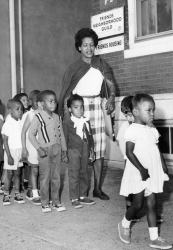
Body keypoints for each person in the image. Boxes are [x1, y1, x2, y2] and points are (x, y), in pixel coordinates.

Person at [58, 28, 116, 200]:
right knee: (80, 150)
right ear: (79, 47)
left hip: (98, 108)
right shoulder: (73, 68)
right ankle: (78, 192)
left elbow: (111, 86)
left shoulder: (102, 65)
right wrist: (68, 117)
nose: (89, 48)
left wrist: (111, 97)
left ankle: (97, 188)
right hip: (78, 110)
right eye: (85, 45)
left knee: (99, 149)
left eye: (92, 45)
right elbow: (66, 93)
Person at [118, 94, 172, 249]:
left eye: (153, 110)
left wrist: (163, 165)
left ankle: (154, 238)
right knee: (138, 204)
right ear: (135, 112)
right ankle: (124, 224)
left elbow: (157, 149)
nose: (152, 114)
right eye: (149, 111)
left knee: (152, 204)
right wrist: (141, 170)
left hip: (152, 171)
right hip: (138, 171)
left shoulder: (152, 130)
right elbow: (129, 153)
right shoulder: (132, 130)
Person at [29, 90, 68, 213]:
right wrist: (39, 149)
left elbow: (61, 133)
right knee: (45, 177)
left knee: (56, 176)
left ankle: (56, 201)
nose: (53, 103)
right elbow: (30, 134)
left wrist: (64, 149)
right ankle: (45, 203)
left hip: (56, 148)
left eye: (54, 101)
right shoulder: (38, 117)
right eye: (50, 101)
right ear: (41, 104)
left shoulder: (57, 117)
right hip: (44, 150)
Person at [63, 94, 96, 209]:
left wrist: (91, 149)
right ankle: (74, 198)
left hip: (85, 148)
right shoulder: (67, 122)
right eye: (76, 107)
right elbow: (64, 138)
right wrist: (64, 152)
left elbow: (90, 136)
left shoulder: (86, 121)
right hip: (73, 149)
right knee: (74, 173)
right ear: (70, 109)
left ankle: (83, 195)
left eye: (81, 107)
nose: (79, 110)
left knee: (84, 172)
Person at [2, 99, 25, 205]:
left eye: (21, 109)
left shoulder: (20, 121)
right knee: (10, 173)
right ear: (10, 110)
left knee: (18, 172)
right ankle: (6, 194)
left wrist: (24, 151)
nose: (20, 111)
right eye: (17, 109)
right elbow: (5, 141)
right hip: (10, 151)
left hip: (19, 150)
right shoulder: (8, 123)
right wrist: (9, 156)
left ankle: (17, 193)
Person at [21, 90, 41, 205]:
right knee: (34, 169)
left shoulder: (47, 114)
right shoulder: (29, 115)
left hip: (43, 145)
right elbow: (23, 132)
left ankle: (39, 189)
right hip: (32, 146)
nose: (40, 104)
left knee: (43, 169)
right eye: (37, 101)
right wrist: (24, 148)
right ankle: (34, 192)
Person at [14, 92, 30, 190]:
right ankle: (17, 182)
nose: (26, 101)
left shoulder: (29, 113)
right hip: (18, 141)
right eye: (23, 100)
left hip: (27, 140)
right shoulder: (17, 114)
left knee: (28, 162)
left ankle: (26, 180)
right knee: (19, 163)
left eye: (27, 99)